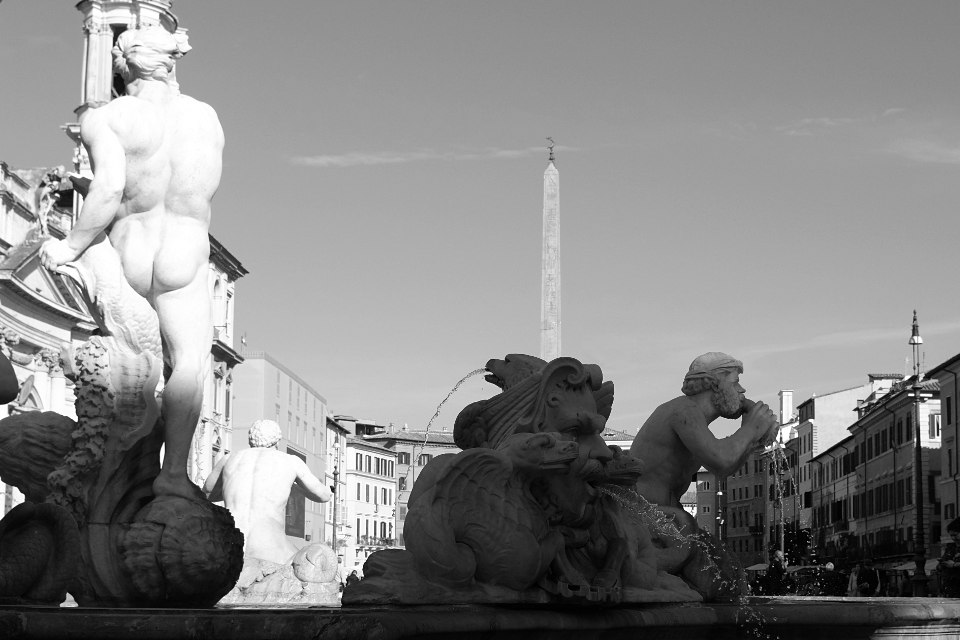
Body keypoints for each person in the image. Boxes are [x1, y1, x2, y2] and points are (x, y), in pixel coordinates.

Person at [39, 26, 224, 502]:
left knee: (127, 367)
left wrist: (71, 246)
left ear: (122, 66)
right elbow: (199, 190)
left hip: (131, 250)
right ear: (171, 62)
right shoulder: (205, 118)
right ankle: (174, 473)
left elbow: (108, 192)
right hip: (185, 250)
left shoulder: (109, 118)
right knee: (188, 364)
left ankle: (111, 464)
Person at [630, 352, 778, 516]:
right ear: (716, 385)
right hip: (643, 512)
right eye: (735, 383)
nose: (741, 389)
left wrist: (754, 441)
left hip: (660, 511)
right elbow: (721, 459)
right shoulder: (684, 411)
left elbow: (723, 470)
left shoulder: (695, 420)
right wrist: (751, 429)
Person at [203, 419, 332, 565]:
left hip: (227, 544)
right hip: (268, 547)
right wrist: (296, 485)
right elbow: (323, 495)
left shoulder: (229, 458)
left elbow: (207, 493)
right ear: (277, 441)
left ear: (250, 440)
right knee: (312, 563)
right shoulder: (291, 461)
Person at [939, 517, 960, 597]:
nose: (953, 538)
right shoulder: (950, 547)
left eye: (955, 535)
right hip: (951, 591)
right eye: (951, 535)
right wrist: (941, 564)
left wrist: (954, 565)